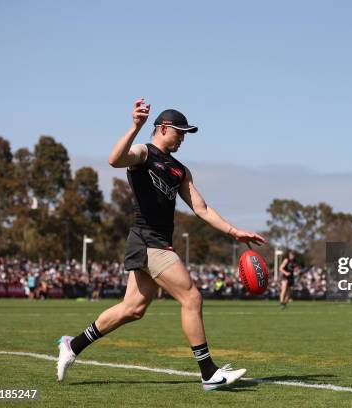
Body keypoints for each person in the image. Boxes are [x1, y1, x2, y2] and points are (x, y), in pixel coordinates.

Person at [56, 98, 265, 391]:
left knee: (133, 309)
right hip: (146, 239)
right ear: (162, 128)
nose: (182, 138)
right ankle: (208, 373)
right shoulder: (144, 153)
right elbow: (115, 160)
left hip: (156, 241)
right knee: (191, 297)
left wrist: (233, 231)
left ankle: (72, 344)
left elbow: (201, 208)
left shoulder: (180, 170)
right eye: (179, 132)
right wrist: (135, 126)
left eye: (185, 133)